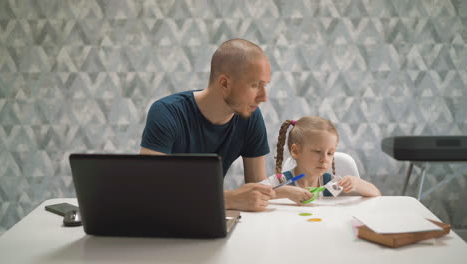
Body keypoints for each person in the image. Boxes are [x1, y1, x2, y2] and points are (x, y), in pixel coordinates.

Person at [140, 38, 276, 211]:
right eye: (255, 85)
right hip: (165, 218)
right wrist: (228, 199)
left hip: (207, 216)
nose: (264, 97)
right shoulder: (167, 112)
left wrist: (278, 192)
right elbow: (148, 189)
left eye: (265, 85)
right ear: (225, 83)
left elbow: (257, 186)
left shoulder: (250, 117)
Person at [261, 116, 381, 204]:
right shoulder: (281, 181)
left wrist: (356, 182)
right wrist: (285, 192)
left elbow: (376, 194)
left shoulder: (330, 185)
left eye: (330, 153)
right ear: (296, 151)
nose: (324, 159)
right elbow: (252, 193)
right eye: (317, 151)